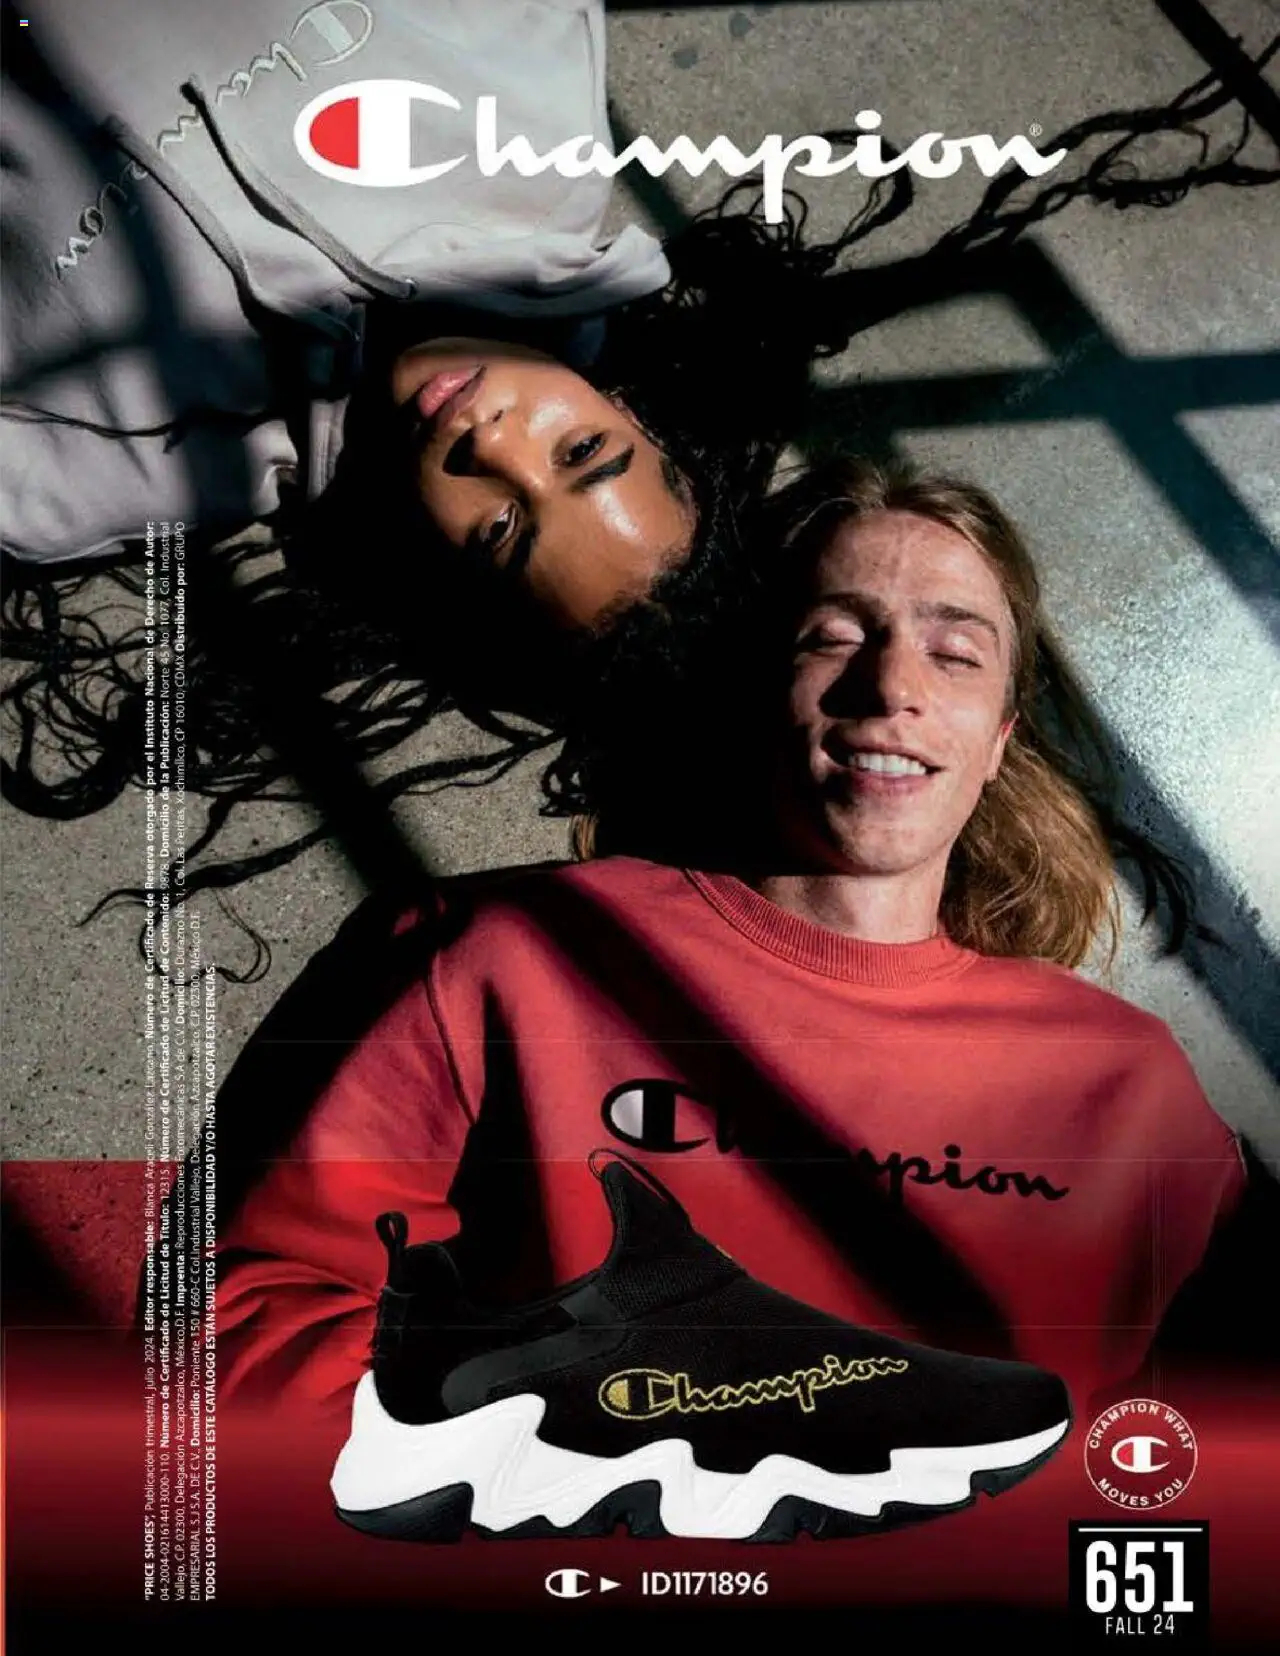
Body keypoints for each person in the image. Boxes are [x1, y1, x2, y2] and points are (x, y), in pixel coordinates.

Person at [214, 455, 1245, 1416]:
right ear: (756, 691)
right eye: (833, 637)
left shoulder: (1133, 1090)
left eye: (956, 654)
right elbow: (237, 1321)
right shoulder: (499, 952)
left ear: (998, 743)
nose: (894, 688)